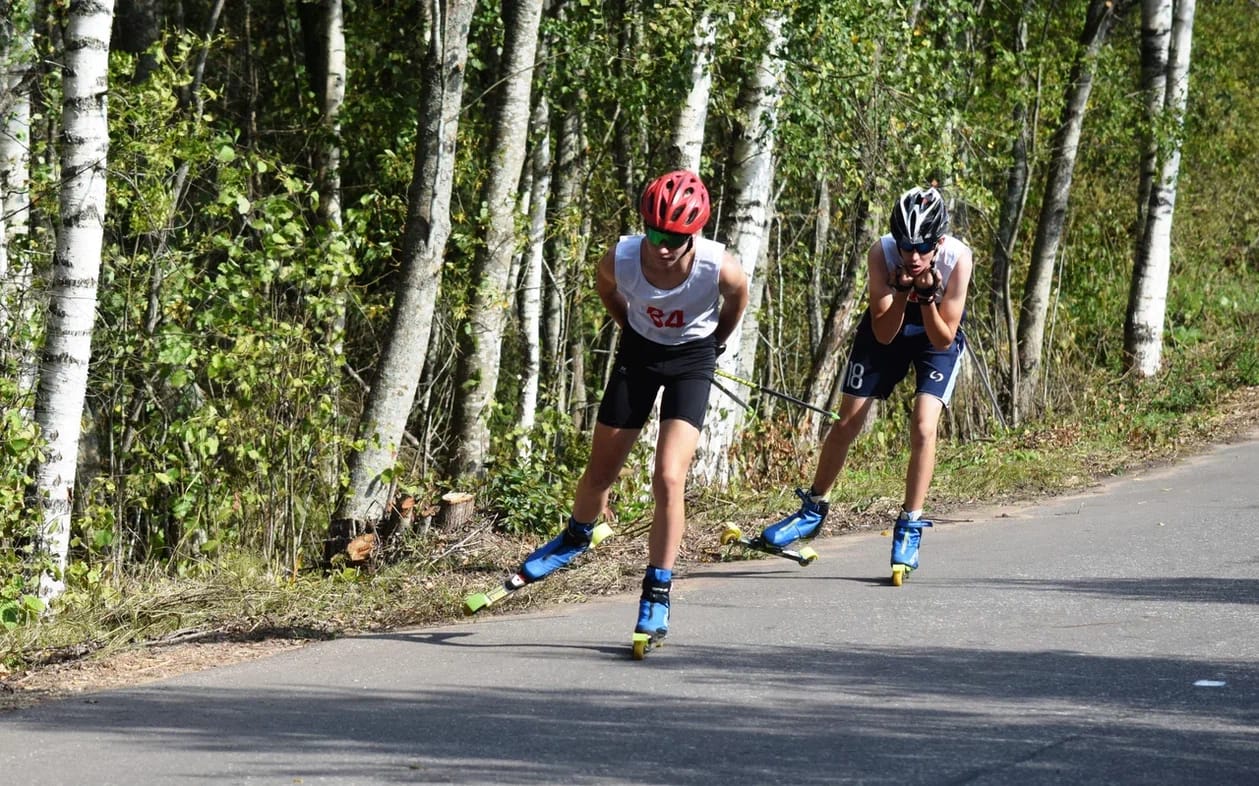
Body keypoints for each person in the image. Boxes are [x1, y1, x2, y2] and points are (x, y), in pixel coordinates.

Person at [517, 169, 749, 651]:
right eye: (656, 232)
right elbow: (606, 289)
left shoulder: (716, 265)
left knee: (668, 477)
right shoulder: (622, 258)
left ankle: (657, 591)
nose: (663, 246)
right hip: (639, 353)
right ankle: (578, 535)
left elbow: (738, 298)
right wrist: (630, 327)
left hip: (692, 360)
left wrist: (715, 344)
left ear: (695, 233)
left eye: (676, 237)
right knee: (600, 471)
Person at [754, 185, 973, 585]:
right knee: (846, 423)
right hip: (887, 330)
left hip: (934, 332)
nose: (914, 255)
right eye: (907, 245)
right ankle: (813, 508)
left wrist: (926, 299)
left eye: (924, 247)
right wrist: (905, 290)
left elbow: (943, 339)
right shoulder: (882, 253)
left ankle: (909, 523)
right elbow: (885, 333)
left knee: (924, 426)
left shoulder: (958, 258)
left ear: (939, 241)